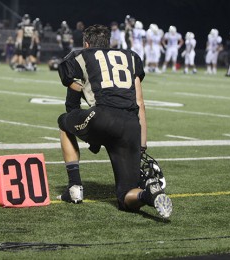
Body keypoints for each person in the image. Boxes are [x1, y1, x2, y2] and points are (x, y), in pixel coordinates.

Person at [56, 24, 172, 219]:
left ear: (86, 43)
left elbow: (72, 94)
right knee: (127, 199)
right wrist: (141, 145)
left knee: (64, 122)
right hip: (130, 126)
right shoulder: (131, 57)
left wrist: (89, 131)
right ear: (108, 43)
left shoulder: (80, 56)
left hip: (102, 117)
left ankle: (74, 187)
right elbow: (140, 103)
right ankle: (148, 195)